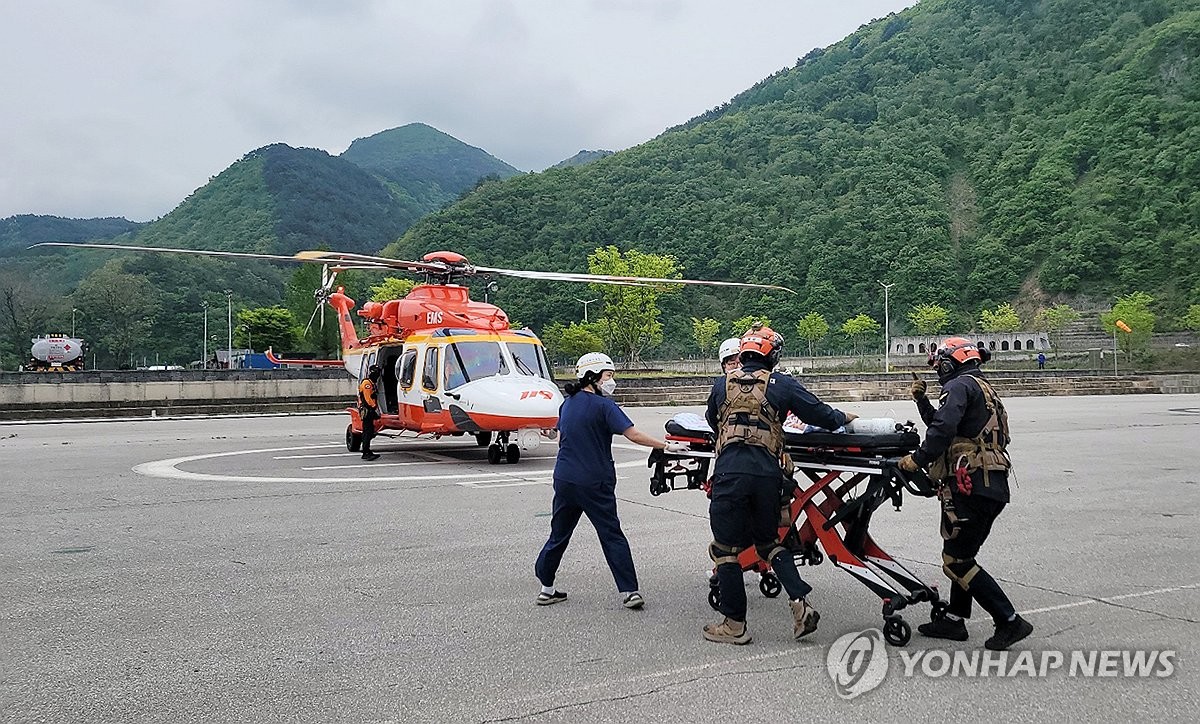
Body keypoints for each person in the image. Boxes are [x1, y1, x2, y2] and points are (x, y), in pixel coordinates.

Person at [703, 325, 857, 645]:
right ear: (772, 355)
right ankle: (800, 606)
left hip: (731, 475)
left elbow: (711, 420)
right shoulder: (782, 384)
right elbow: (821, 414)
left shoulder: (721, 385)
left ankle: (734, 625)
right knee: (770, 543)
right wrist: (845, 418)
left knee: (725, 550)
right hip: (768, 476)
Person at [900, 336, 1033, 651]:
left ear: (949, 362)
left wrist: (915, 460)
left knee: (955, 561)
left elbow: (942, 431)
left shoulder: (958, 386)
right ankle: (955, 619)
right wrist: (922, 402)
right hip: (991, 484)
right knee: (961, 552)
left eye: (939, 365)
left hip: (970, 484)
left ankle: (1009, 620)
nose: (938, 372)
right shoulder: (983, 388)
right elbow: (949, 424)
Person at [534, 352, 687, 609]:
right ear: (592, 378)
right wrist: (666, 446)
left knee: (559, 534)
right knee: (611, 534)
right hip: (595, 482)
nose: (611, 381)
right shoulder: (605, 406)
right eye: (608, 376)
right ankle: (629, 591)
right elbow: (633, 434)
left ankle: (546, 589)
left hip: (565, 479)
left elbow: (561, 438)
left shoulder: (567, 403)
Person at [357, 364, 382, 461]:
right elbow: (368, 399)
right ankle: (365, 452)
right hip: (368, 410)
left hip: (370, 410)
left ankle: (366, 449)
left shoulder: (371, 383)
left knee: (370, 431)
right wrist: (374, 408)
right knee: (368, 431)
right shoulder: (367, 384)